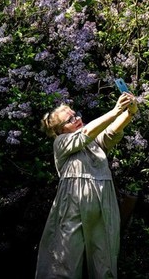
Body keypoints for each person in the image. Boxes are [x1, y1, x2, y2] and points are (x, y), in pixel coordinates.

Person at [36, 92, 138, 279]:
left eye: (76, 115)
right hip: (72, 204)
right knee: (64, 262)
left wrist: (129, 112)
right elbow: (85, 134)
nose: (77, 119)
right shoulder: (61, 143)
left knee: (105, 262)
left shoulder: (94, 143)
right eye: (70, 119)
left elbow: (111, 132)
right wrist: (116, 110)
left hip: (103, 202)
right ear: (60, 130)